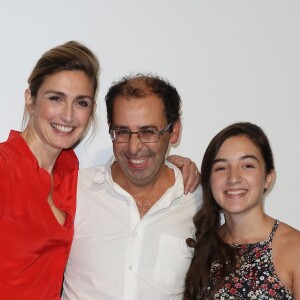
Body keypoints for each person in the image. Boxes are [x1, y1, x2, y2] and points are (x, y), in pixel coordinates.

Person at [0, 41, 199, 299]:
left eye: (80, 103)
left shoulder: (69, 173)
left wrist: (171, 162)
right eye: (55, 98)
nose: (68, 115)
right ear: (30, 100)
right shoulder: (5, 168)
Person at [62, 74, 202, 299]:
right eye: (123, 132)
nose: (134, 147)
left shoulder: (200, 200)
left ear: (174, 131)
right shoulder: (74, 190)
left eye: (148, 132)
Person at [184, 122, 300, 299]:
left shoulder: (294, 248)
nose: (233, 178)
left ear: (268, 177)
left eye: (247, 166)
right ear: (209, 181)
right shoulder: (201, 245)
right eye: (221, 168)